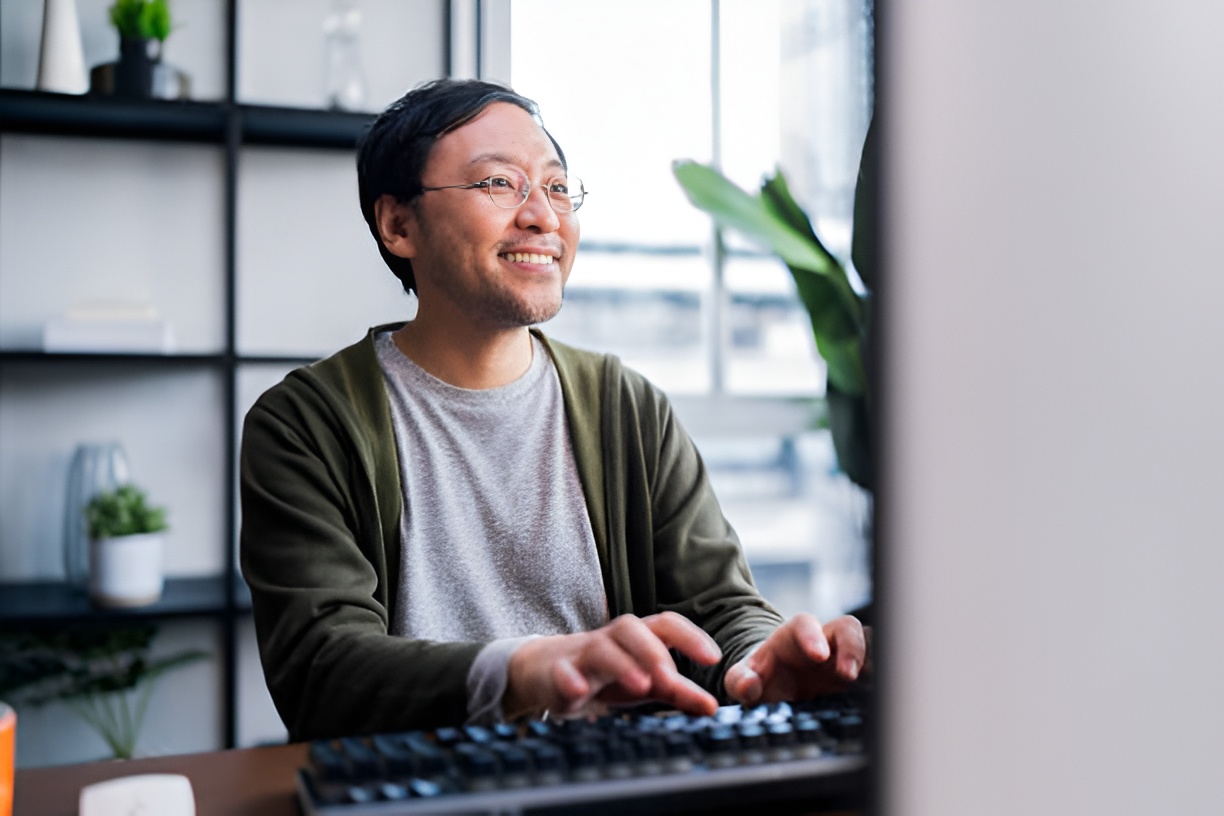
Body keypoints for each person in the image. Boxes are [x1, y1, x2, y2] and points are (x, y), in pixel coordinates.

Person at [239, 77, 867, 742]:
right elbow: (322, 670)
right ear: (398, 224)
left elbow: (721, 610)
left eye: (557, 188)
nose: (543, 215)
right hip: (413, 788)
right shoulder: (305, 424)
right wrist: (528, 671)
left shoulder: (627, 408)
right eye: (499, 184)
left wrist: (759, 662)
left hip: (613, 780)